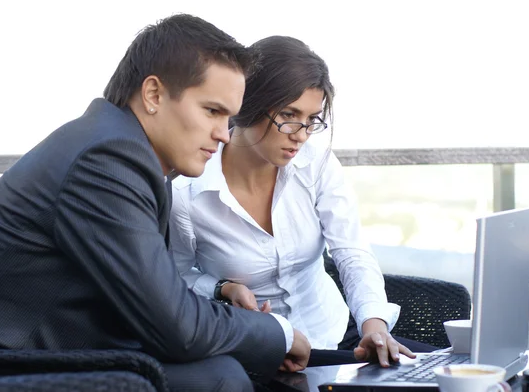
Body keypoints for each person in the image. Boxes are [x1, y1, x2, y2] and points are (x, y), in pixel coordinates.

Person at [0, 14, 311, 392]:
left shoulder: (126, 151)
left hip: (53, 351)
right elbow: (177, 327)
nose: (224, 135)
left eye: (229, 118)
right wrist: (277, 331)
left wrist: (248, 332)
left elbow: (160, 299)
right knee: (219, 380)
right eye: (212, 111)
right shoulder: (107, 160)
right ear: (153, 95)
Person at [169, 36, 435, 368]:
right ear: (247, 103)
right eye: (289, 115)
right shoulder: (188, 192)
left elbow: (351, 251)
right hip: (267, 352)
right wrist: (220, 288)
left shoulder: (316, 163)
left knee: (453, 371)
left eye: (312, 119)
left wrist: (374, 325)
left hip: (338, 330)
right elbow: (174, 282)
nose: (301, 134)